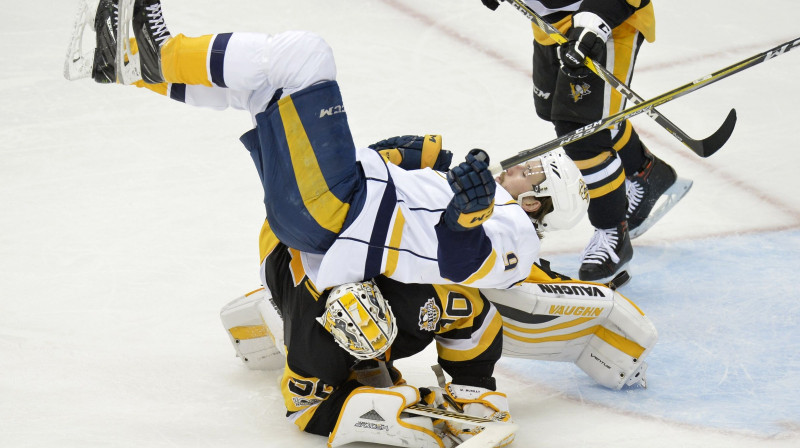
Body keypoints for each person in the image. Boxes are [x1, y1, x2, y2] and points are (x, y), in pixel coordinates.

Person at [88, 0, 590, 293]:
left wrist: (467, 216)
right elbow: (405, 204)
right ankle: (126, 66)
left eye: (535, 172)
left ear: (537, 203)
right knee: (262, 86)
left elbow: (465, 264)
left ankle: (156, 54)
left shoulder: (519, 237)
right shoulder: (471, 190)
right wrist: (408, 158)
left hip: (334, 214)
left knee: (304, 57)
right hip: (328, 209)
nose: (524, 164)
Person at [479, 0, 692, 282]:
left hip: (607, 22)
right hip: (551, 24)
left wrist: (595, 22)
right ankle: (647, 172)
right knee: (558, 112)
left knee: (580, 130)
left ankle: (613, 233)